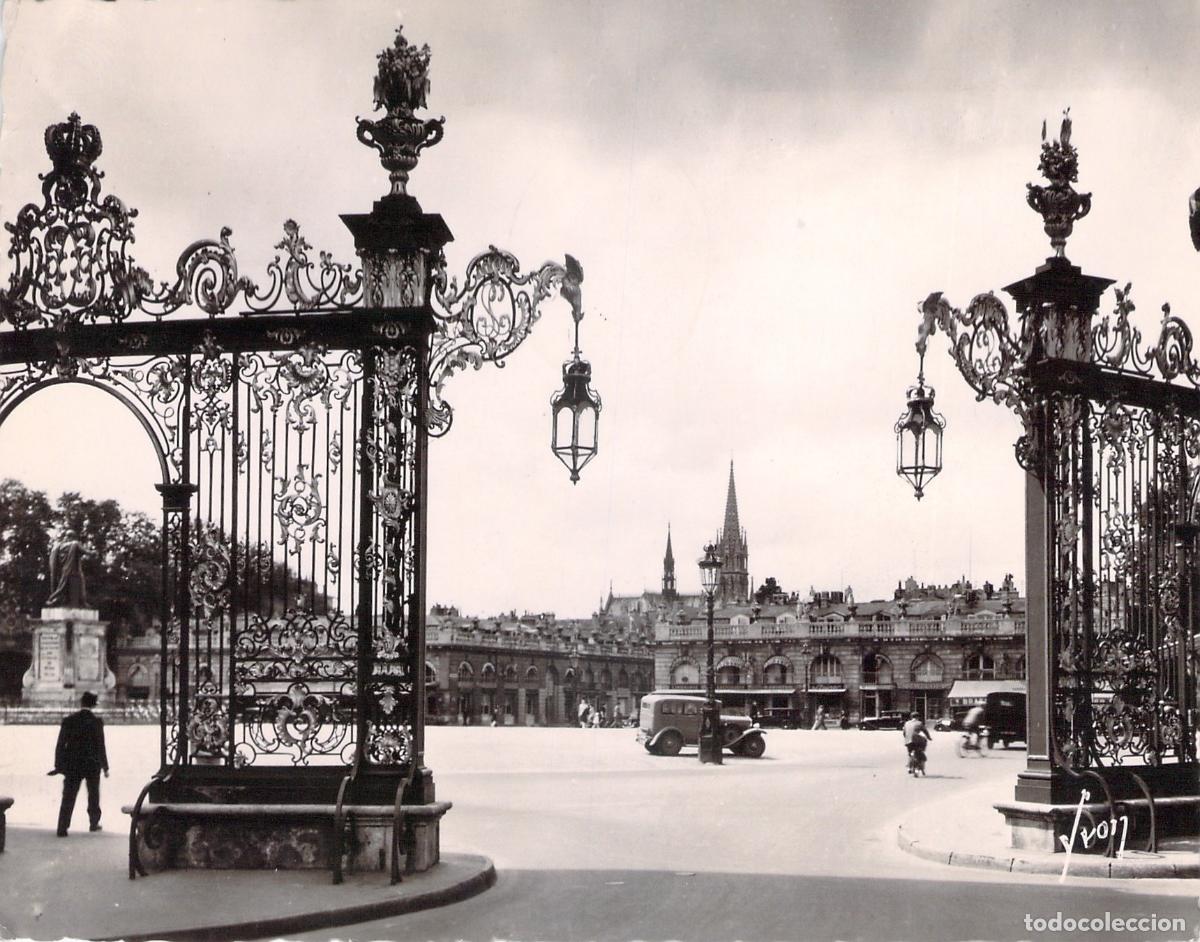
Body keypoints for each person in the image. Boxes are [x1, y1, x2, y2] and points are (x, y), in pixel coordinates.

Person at [49, 691, 109, 836]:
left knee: (68, 796)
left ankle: (62, 826)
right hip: (92, 764)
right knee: (93, 794)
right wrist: (105, 766)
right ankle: (94, 822)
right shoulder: (96, 722)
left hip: (73, 764)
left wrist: (58, 765)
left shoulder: (69, 720)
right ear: (93, 705)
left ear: (81, 703)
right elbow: (101, 746)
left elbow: (60, 744)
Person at [46, 530, 90, 608]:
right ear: (72, 537)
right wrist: (93, 552)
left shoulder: (60, 546)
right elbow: (85, 551)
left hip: (63, 571)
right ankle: (82, 602)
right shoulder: (75, 543)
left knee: (63, 587)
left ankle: (55, 599)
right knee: (79, 586)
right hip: (73, 570)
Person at [902, 711, 931, 775]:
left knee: (910, 753)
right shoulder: (919, 723)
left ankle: (909, 767)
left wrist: (906, 738)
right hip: (916, 741)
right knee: (921, 747)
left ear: (911, 717)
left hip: (908, 741)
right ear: (918, 717)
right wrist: (929, 737)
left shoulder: (906, 723)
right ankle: (920, 756)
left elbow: (904, 733)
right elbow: (925, 731)